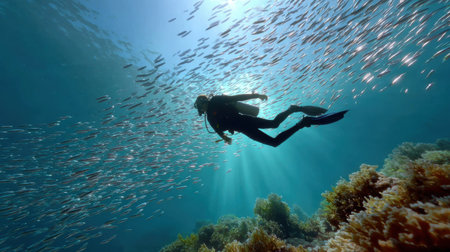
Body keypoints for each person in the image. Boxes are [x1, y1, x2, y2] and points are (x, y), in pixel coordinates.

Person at [194, 94, 347, 147]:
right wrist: (225, 137)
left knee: (274, 142)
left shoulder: (213, 110)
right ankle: (292, 110)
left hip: (246, 127)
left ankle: (303, 122)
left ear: (202, 105)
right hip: (246, 123)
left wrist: (225, 137)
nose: (201, 112)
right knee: (274, 124)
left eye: (199, 108)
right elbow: (219, 132)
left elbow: (236, 98)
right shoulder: (211, 115)